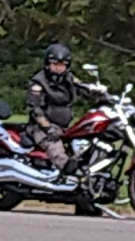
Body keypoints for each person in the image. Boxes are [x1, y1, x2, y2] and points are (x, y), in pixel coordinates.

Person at [26, 42, 106, 183]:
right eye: (55, 64)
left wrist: (101, 94)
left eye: (62, 65)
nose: (59, 68)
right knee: (54, 146)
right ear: (47, 64)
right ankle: (68, 173)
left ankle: (89, 174)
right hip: (41, 128)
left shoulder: (68, 78)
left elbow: (82, 88)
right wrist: (47, 128)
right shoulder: (38, 83)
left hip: (64, 127)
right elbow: (36, 110)